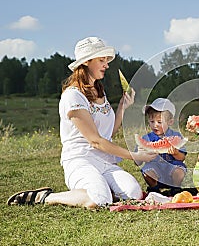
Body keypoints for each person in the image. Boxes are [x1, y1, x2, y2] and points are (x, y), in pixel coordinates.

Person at [7, 36, 156, 209]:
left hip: (104, 161)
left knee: (134, 193)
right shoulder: (73, 95)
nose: (106, 65)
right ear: (86, 62)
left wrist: (123, 107)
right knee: (99, 200)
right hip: (80, 161)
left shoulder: (100, 93)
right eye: (101, 60)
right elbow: (95, 140)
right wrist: (135, 156)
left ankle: (99, 187)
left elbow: (107, 135)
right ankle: (45, 197)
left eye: (106, 60)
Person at [135, 98, 187, 196]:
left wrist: (176, 153)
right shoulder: (146, 138)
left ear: (170, 122)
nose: (155, 125)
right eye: (151, 121)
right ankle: (154, 189)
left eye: (159, 122)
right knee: (147, 172)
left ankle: (176, 189)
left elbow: (182, 157)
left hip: (171, 169)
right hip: (155, 170)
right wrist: (140, 154)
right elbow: (137, 162)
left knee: (179, 172)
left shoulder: (176, 136)